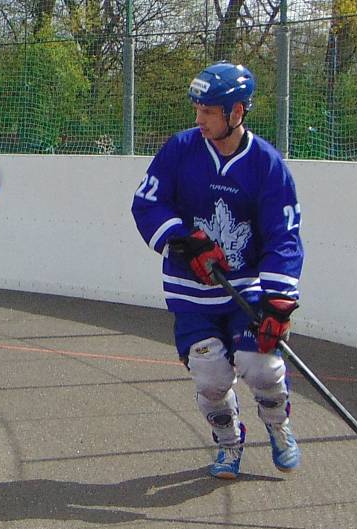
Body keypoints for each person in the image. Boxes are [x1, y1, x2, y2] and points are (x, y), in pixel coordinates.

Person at [131, 62, 304, 479]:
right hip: (192, 294)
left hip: (246, 291)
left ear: (237, 112)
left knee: (262, 367)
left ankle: (279, 428)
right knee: (210, 377)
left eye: (209, 110)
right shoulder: (181, 149)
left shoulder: (266, 164)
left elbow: (283, 234)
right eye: (198, 109)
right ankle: (229, 444)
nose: (199, 119)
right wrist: (181, 238)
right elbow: (147, 203)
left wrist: (279, 302)